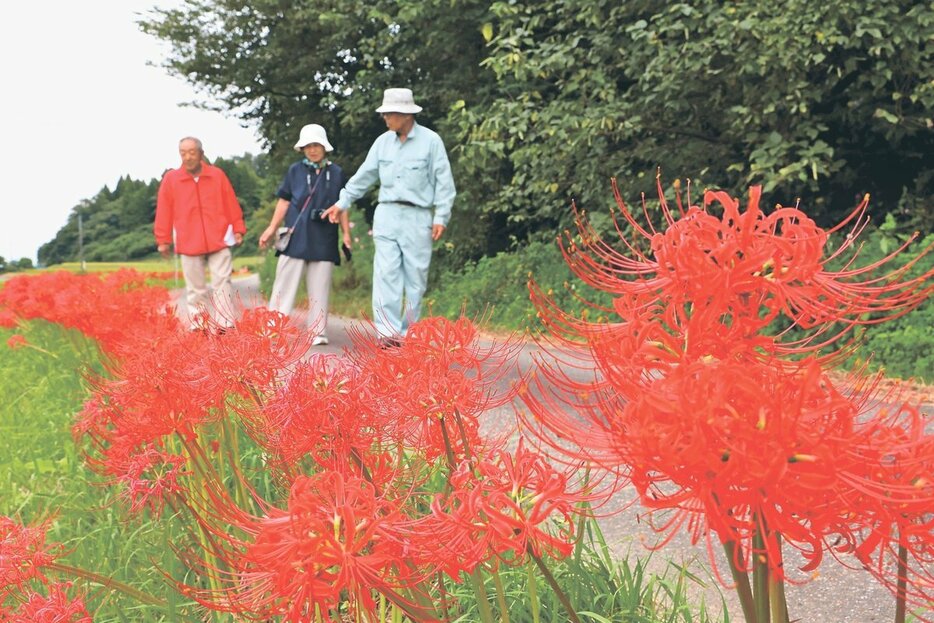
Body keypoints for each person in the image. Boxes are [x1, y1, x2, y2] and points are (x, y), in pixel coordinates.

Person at [321, 88, 456, 346]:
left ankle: (410, 332)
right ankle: (388, 334)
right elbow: (363, 177)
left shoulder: (431, 141)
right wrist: (341, 202)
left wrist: (441, 216)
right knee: (386, 274)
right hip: (386, 214)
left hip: (418, 216)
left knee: (416, 278)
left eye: (389, 114)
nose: (385, 119)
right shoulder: (382, 143)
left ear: (405, 115)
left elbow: (444, 183)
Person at [259, 124, 350, 345]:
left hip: (325, 235)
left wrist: (346, 234)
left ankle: (318, 331)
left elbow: (343, 205)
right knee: (284, 283)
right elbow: (284, 200)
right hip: (297, 233)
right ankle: (274, 326)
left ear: (324, 147)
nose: (312, 149)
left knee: (320, 287)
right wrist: (272, 228)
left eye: (316, 145)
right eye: (308, 145)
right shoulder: (295, 171)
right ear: (303, 148)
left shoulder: (336, 173)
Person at [154, 136, 245, 331]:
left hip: (219, 237)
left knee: (223, 282)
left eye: (192, 152)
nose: (187, 157)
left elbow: (231, 202)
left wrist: (238, 228)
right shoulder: (171, 179)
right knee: (196, 288)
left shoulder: (217, 175)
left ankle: (225, 323)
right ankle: (199, 325)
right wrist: (163, 240)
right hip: (189, 241)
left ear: (201, 154)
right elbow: (164, 210)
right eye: (183, 153)